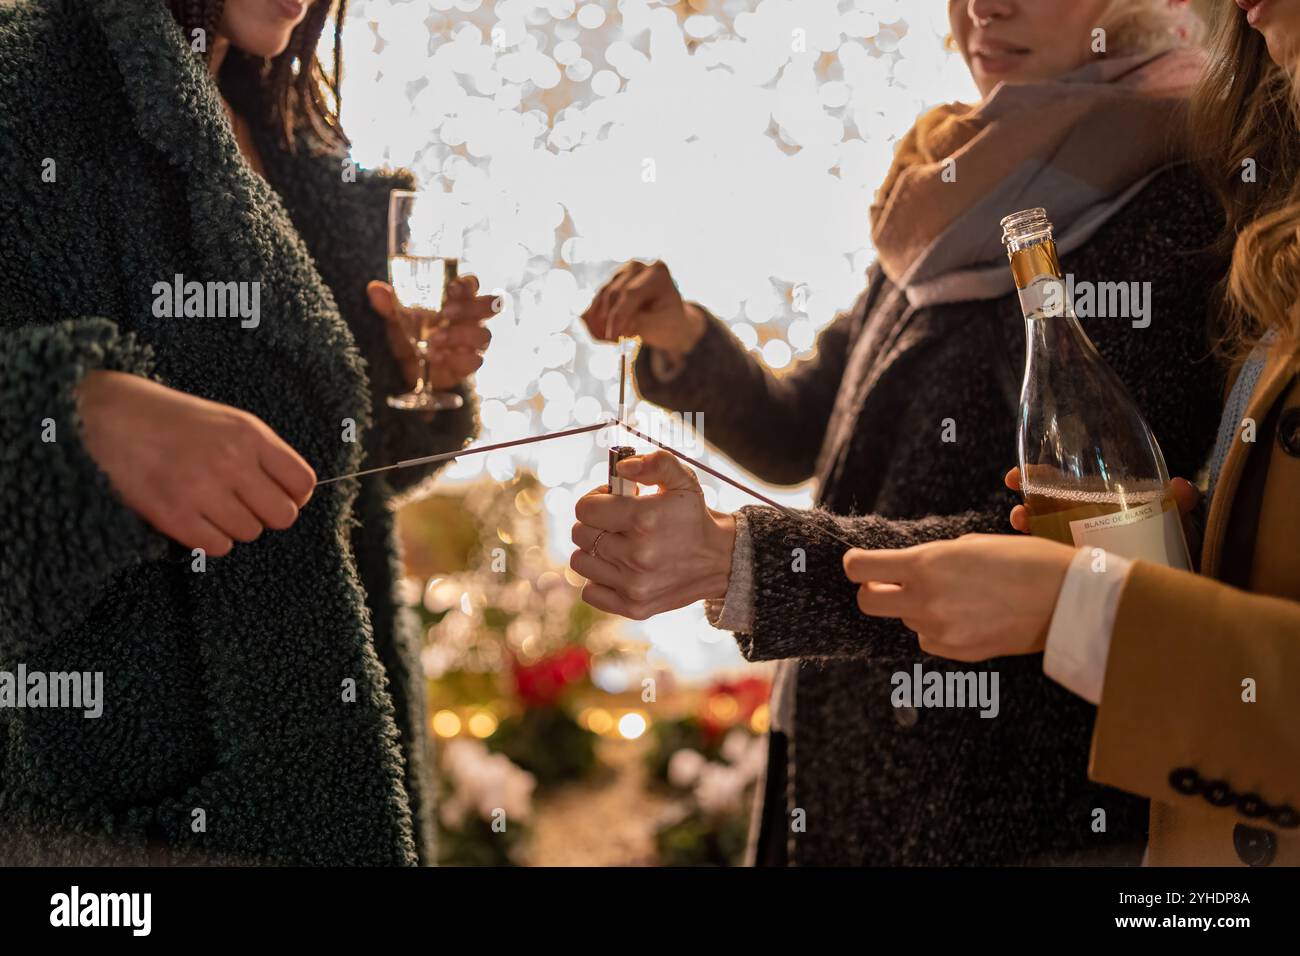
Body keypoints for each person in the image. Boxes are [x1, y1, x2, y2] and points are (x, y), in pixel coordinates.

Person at [572, 0, 1220, 865]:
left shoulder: (1179, 198)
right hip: (846, 756)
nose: (987, 6)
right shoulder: (958, 183)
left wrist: (749, 561)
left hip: (1007, 810)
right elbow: (803, 433)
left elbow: (1101, 548)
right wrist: (684, 335)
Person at [0, 0, 496, 864]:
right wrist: (77, 420)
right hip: (119, 823)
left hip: (340, 773)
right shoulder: (27, 76)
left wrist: (399, 376)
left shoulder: (288, 134)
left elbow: (327, 479)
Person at [844, 0, 1300, 868]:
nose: (986, 6)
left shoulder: (1179, 192)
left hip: (1052, 807)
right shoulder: (939, 194)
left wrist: (1082, 605)